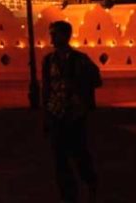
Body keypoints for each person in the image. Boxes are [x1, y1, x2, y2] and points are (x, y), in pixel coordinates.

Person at [42, 20, 102, 202]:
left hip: (74, 114)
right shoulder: (48, 61)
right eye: (51, 34)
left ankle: (90, 182)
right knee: (59, 158)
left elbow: (96, 80)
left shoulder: (80, 59)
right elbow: (46, 88)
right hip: (55, 113)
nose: (52, 38)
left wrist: (77, 86)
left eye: (55, 34)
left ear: (65, 36)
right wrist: (45, 114)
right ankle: (68, 195)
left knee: (79, 153)